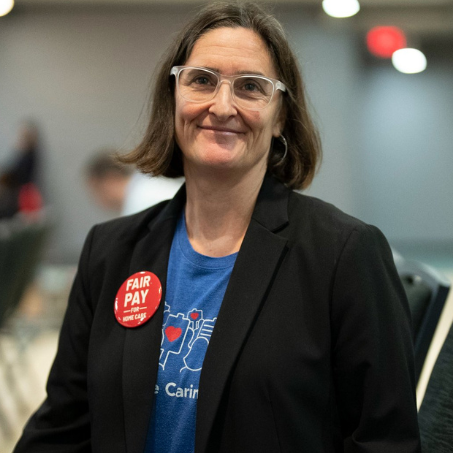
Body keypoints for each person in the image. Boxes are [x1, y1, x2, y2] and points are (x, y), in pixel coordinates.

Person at [14, 3, 421, 452]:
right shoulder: (110, 251)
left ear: (281, 114)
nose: (221, 105)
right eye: (202, 80)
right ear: (174, 98)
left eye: (250, 87)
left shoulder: (345, 255)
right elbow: (62, 426)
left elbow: (386, 443)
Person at [85, 150, 183, 215]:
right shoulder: (151, 182)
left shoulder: (139, 203)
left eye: (96, 190)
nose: (96, 200)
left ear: (110, 179)